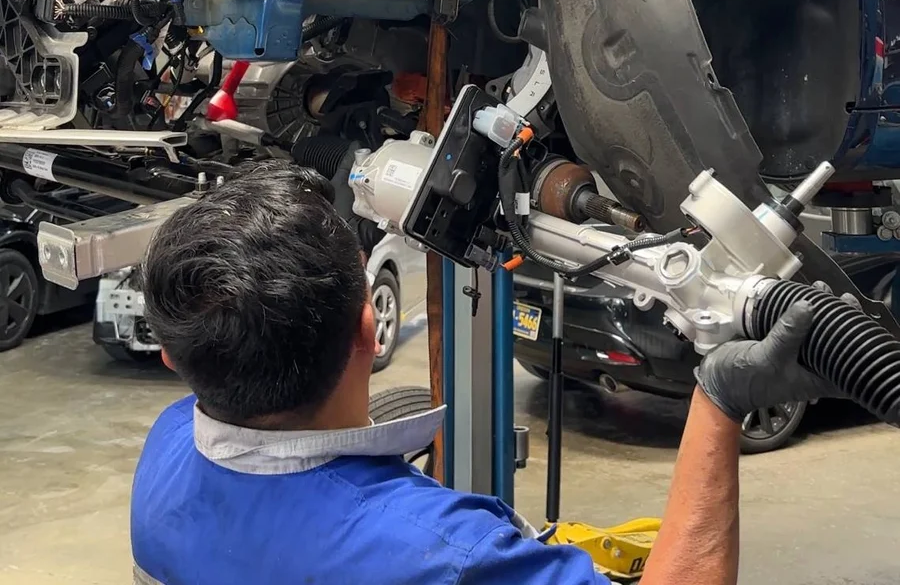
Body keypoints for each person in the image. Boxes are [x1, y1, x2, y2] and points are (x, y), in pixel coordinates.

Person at [130, 159, 839, 585]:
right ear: (368, 327)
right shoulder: (445, 555)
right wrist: (717, 401)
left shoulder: (162, 456)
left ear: (174, 355)